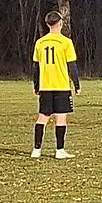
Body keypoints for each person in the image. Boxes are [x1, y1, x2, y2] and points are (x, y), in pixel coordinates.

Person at [31, 11, 80, 159]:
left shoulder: (40, 43)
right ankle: (60, 150)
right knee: (61, 118)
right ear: (60, 23)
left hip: (45, 86)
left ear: (47, 24)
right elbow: (72, 66)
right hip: (61, 86)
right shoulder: (66, 42)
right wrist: (76, 85)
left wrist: (36, 86)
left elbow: (36, 67)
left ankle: (36, 150)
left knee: (42, 118)